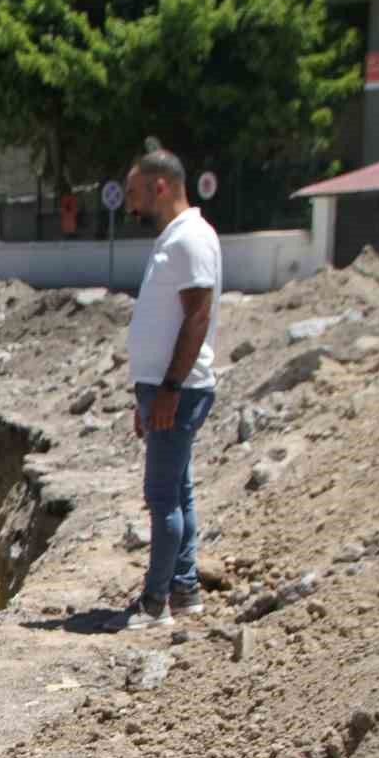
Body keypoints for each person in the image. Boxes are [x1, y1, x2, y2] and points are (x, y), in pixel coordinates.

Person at [106, 146, 221, 631]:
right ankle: (185, 590)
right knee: (180, 493)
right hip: (164, 388)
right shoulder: (176, 238)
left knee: (162, 498)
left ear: (160, 186)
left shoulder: (191, 239)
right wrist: (147, 395)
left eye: (133, 193)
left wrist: (170, 389)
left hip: (179, 388)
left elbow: (197, 316)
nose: (129, 205)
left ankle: (154, 604)